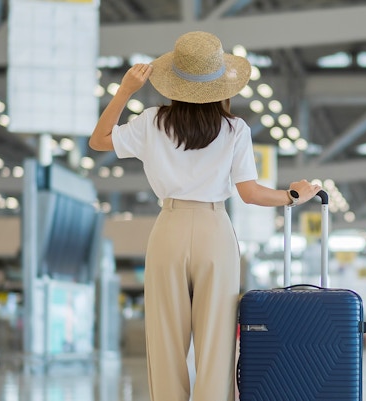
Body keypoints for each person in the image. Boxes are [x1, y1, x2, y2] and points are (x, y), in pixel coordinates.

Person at [89, 31, 321, 401]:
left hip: (169, 228)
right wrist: (292, 196)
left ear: (174, 82)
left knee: (165, 338)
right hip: (216, 230)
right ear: (219, 84)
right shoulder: (234, 129)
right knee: (217, 342)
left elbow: (99, 140)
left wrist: (125, 91)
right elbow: (249, 193)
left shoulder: (152, 122)